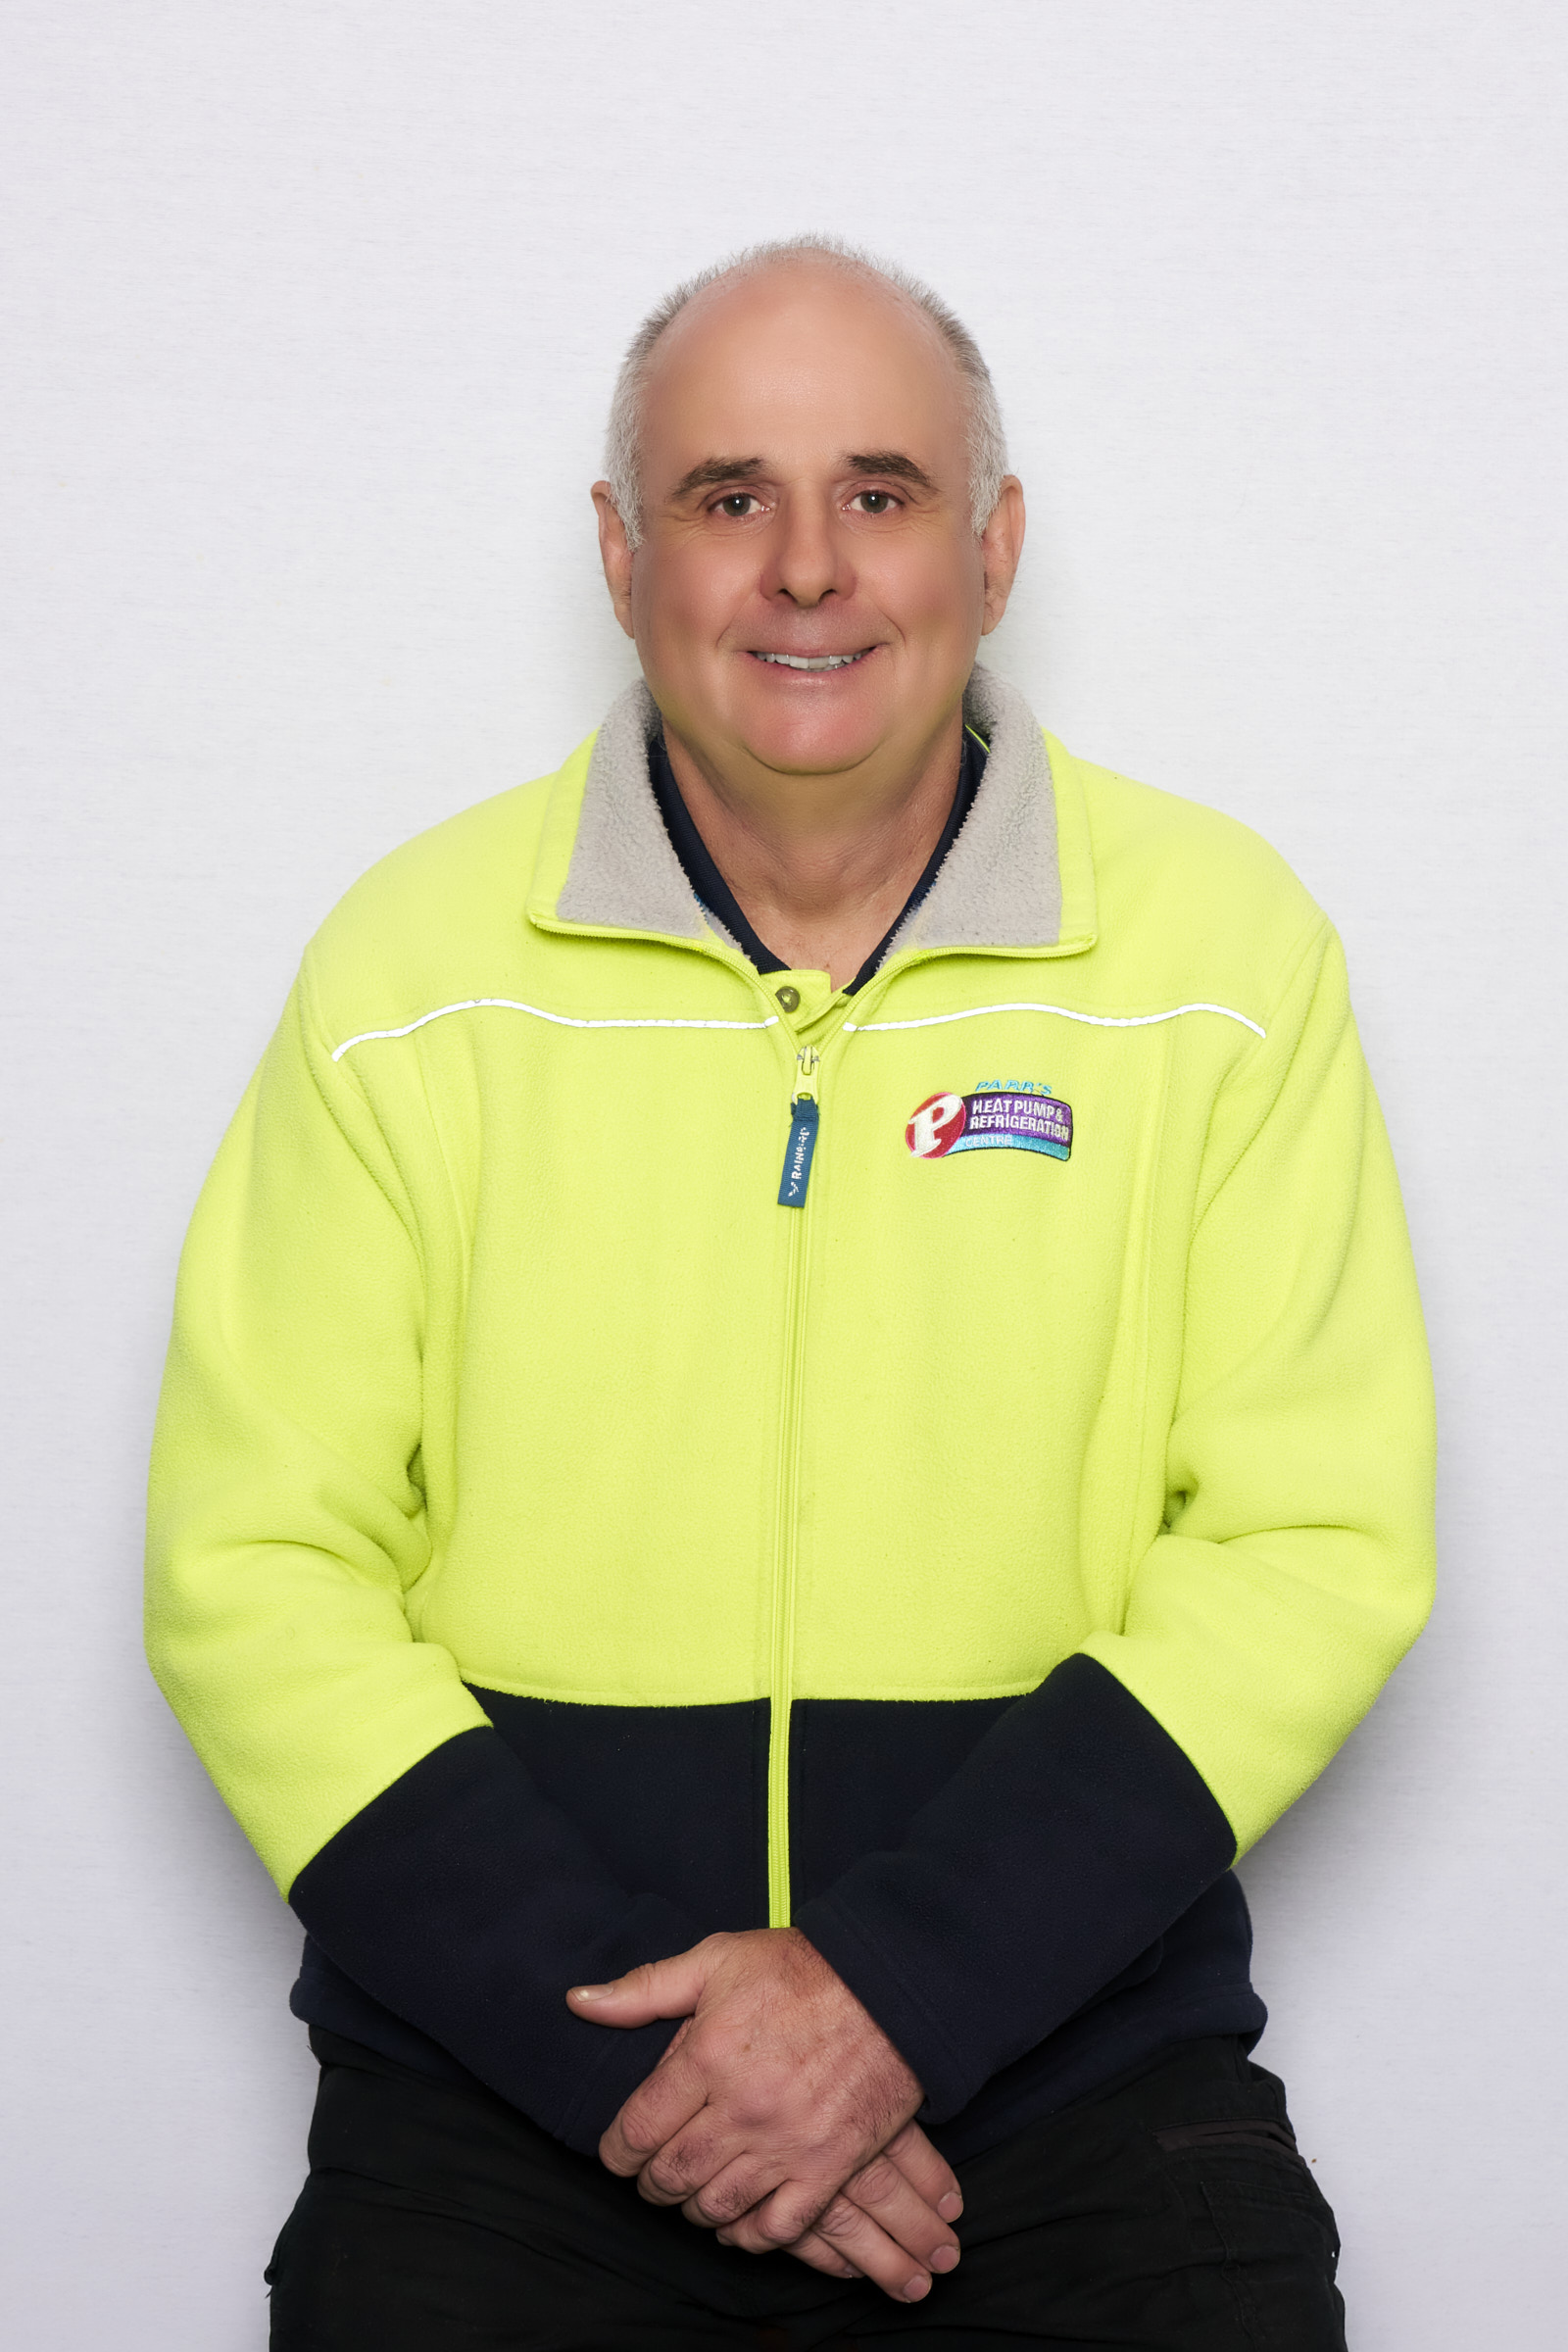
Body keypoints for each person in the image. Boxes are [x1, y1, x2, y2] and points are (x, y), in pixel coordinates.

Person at [145, 237, 1436, 2349]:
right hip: (506, 2113)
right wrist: (663, 2067)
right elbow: (251, 1567)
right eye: (730, 495)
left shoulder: (1220, 959)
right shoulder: (407, 974)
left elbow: (1312, 1542)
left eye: (881, 492)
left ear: (992, 550)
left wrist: (892, 2001)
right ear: (621, 553)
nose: (808, 567)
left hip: (1074, 2103)